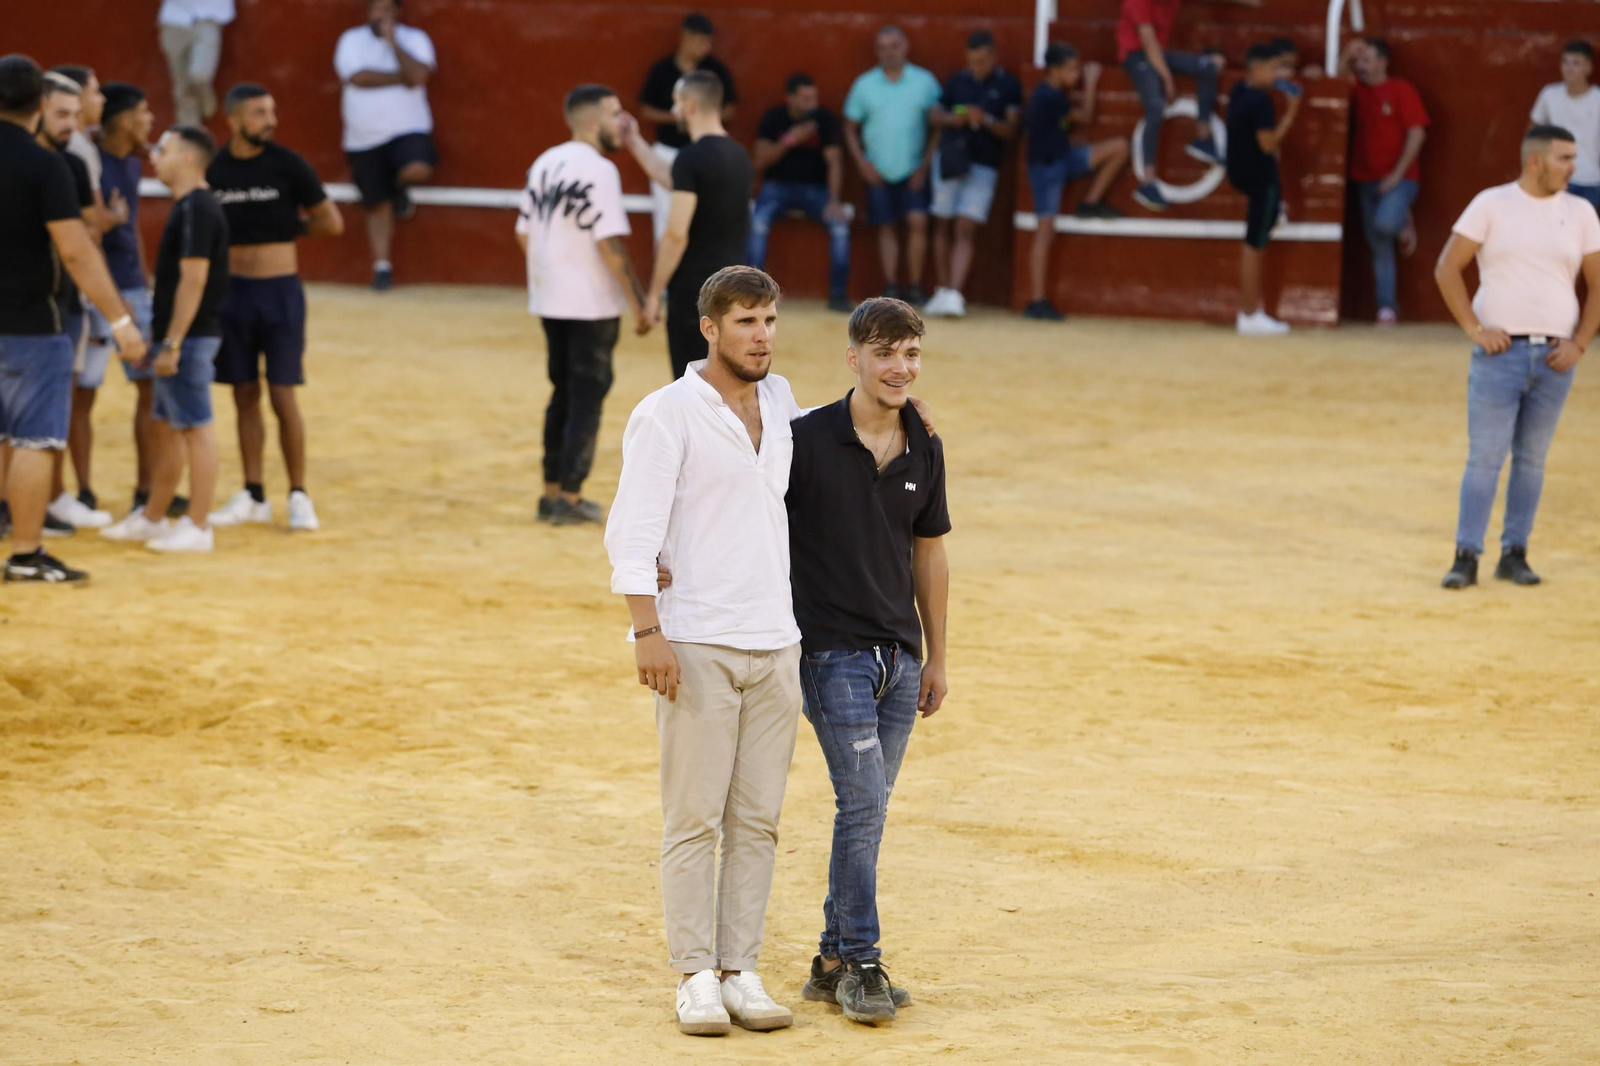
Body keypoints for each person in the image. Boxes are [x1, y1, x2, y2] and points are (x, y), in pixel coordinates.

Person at [604, 266, 802, 1038]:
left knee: (757, 820)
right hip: (695, 641)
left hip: (776, 641)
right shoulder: (666, 414)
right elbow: (632, 532)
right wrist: (647, 631)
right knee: (694, 819)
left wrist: (897, 403)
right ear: (710, 329)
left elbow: (843, 434)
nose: (762, 336)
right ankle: (694, 974)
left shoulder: (783, 403)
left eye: (770, 320)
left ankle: (740, 967)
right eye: (747, 321)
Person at [784, 296, 950, 1026]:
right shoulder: (805, 439)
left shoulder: (925, 444)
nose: (899, 368)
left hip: (899, 659)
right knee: (862, 804)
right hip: (829, 655)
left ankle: (827, 961)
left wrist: (937, 654)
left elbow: (930, 550)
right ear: (853, 358)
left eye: (910, 354)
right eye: (885, 353)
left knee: (869, 810)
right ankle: (863, 961)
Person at [0, 53, 146, 583]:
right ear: (39, 104)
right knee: (35, 439)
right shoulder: (47, 166)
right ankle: (25, 552)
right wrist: (123, 322)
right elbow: (77, 251)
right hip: (33, 324)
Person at [1434, 126, 1600, 590]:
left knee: (1531, 461)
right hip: (1499, 355)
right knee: (1485, 459)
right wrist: (1473, 329)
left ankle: (1514, 553)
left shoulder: (1582, 211)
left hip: (1554, 357)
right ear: (1535, 161)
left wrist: (1580, 343)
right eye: (1565, 158)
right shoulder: (1492, 203)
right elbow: (1447, 266)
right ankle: (1466, 556)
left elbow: (1599, 284)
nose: (1574, 167)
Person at [206, 83, 343, 533]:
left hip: (279, 292)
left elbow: (331, 222)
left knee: (283, 394)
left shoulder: (288, 166)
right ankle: (253, 492)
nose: (271, 120)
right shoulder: (216, 170)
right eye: (260, 113)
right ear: (235, 120)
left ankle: (298, 493)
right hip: (232, 294)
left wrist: (292, 228)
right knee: (243, 392)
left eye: (272, 111)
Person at [517, 84, 648, 526]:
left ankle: (550, 492)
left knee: (563, 392)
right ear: (593, 122)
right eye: (615, 114)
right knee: (587, 396)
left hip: (551, 299)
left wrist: (548, 276)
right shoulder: (600, 170)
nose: (622, 122)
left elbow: (524, 232)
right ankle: (569, 500)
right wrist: (640, 302)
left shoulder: (544, 162)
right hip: (591, 302)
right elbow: (609, 243)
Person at [102, 127, 230, 553]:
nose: (155, 154)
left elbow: (194, 280)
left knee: (195, 427)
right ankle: (155, 517)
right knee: (171, 428)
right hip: (182, 334)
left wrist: (173, 343)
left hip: (188, 338)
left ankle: (198, 524)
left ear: (188, 160)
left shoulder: (196, 207)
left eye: (165, 148)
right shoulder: (193, 206)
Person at [621, 71, 752, 380]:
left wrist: (654, 295)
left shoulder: (691, 159)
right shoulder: (739, 156)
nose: (675, 111)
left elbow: (675, 235)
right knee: (726, 384)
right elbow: (672, 176)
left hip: (695, 293)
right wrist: (634, 141)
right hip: (733, 289)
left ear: (690, 106)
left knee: (691, 387)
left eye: (677, 103)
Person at [35, 75, 113, 532]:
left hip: (62, 301)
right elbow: (84, 238)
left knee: (52, 407)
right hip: (39, 301)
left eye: (74, 115)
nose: (71, 124)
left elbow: (91, 234)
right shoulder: (55, 165)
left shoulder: (75, 164)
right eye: (61, 114)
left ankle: (50, 495)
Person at [1119, 0, 1262, 212]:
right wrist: (1167, 78)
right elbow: (1147, 40)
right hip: (1135, 54)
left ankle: (1202, 138)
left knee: (1208, 66)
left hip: (1158, 52)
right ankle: (1148, 182)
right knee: (1155, 105)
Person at [334, 0, 437, 292]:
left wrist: (394, 45)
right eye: (375, 10)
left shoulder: (414, 39)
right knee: (376, 204)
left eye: (386, 10)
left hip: (408, 128)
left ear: (397, 13)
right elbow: (357, 77)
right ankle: (382, 268)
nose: (380, 16)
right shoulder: (351, 40)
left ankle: (398, 187)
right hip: (363, 135)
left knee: (418, 168)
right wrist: (402, 78)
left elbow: (419, 75)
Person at [1022, 42, 1129, 321]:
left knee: (1119, 147)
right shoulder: (1051, 97)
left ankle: (1091, 201)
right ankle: (1037, 299)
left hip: (1059, 158)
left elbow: (1055, 128)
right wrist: (1092, 84)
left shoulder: (1048, 94)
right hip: (1047, 169)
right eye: (1071, 69)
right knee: (1045, 231)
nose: (1077, 74)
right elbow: (1084, 116)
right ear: (1054, 70)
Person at [94, 82, 162, 518]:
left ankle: (147, 489)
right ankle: (79, 489)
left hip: (130, 286)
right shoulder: (92, 164)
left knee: (151, 388)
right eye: (143, 111)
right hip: (103, 288)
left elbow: (131, 226)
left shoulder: (130, 167)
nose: (150, 118)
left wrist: (142, 279)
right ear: (122, 120)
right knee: (80, 395)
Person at [922, 31, 1022, 319]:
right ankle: (942, 290)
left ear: (993, 57)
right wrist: (956, 118)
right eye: (971, 61)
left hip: (984, 164)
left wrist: (986, 120)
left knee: (966, 225)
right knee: (941, 223)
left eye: (981, 61)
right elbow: (934, 115)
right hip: (951, 160)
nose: (975, 66)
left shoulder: (1008, 85)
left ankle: (954, 292)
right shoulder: (957, 80)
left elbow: (1012, 131)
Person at [843, 26, 943, 305]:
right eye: (883, 47)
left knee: (918, 222)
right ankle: (890, 286)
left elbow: (939, 126)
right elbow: (850, 127)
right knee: (885, 225)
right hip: (878, 168)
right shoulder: (865, 85)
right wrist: (863, 164)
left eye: (894, 45)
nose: (889, 52)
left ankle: (912, 286)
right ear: (876, 52)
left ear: (906, 47)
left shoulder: (924, 82)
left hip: (914, 168)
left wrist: (924, 166)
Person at [1340, 38, 1429, 326]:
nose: (1360, 65)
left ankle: (1401, 219)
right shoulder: (1359, 89)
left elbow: (1417, 133)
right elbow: (1335, 86)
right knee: (1379, 246)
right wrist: (1346, 56)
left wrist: (1396, 175)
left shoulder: (1401, 90)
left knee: (1385, 226)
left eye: (1366, 59)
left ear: (1382, 61)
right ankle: (1386, 309)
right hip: (1365, 179)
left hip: (1400, 179)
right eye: (1359, 60)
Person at [750, 73, 852, 313]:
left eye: (814, 97)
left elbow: (835, 161)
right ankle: (755, 294)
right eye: (805, 99)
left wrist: (834, 200)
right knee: (757, 224)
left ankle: (837, 295)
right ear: (791, 98)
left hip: (816, 191)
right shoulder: (774, 118)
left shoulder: (824, 119)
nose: (812, 104)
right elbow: (759, 160)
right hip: (777, 187)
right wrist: (789, 140)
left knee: (840, 226)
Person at [637, 13, 737, 246]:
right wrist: (678, 117)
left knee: (707, 219)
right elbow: (646, 110)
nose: (707, 47)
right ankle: (667, 283)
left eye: (709, 42)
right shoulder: (662, 70)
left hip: (706, 153)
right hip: (668, 152)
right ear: (686, 37)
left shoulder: (715, 71)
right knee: (665, 218)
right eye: (702, 40)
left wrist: (698, 118)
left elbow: (731, 109)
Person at [1227, 43, 1300, 336]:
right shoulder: (1261, 101)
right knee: (1255, 243)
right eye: (1273, 68)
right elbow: (1268, 145)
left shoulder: (1239, 91)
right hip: (1260, 177)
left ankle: (1250, 313)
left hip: (1241, 171)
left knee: (1255, 239)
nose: (1277, 74)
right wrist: (1291, 114)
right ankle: (1249, 314)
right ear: (1257, 68)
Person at [1530, 42, 1600, 210]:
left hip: (1589, 180)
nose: (1569, 68)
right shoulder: (1549, 95)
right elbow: (1533, 134)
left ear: (1588, 68)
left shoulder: (1598, 99)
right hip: (1553, 178)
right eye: (1565, 62)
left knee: (1582, 233)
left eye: (1576, 63)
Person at [157, 0, 234, 127]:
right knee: (182, 86)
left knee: (200, 75)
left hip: (209, 18)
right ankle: (189, 135)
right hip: (174, 18)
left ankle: (204, 94)